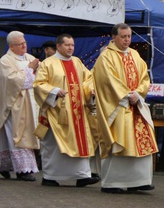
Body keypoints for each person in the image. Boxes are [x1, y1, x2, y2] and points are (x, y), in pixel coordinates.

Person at [93, 23, 158, 193]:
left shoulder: (135, 55)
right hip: (118, 106)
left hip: (136, 106)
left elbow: (144, 77)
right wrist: (128, 95)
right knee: (119, 139)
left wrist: (138, 92)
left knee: (141, 141)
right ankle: (114, 182)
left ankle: (139, 180)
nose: (127, 40)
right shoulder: (106, 57)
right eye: (123, 36)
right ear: (113, 37)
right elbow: (107, 81)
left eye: (129, 36)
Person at [33, 34, 99, 187]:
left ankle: (82, 176)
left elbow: (88, 79)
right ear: (58, 46)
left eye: (73, 45)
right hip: (57, 112)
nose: (71, 48)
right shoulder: (48, 64)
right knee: (55, 145)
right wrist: (55, 91)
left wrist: (91, 91)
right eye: (67, 45)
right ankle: (50, 176)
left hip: (77, 113)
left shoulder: (77, 62)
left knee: (80, 141)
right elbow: (38, 84)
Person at [0, 31, 40, 181]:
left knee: (28, 133)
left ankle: (7, 166)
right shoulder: (5, 61)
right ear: (11, 46)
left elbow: (38, 77)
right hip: (14, 105)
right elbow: (13, 81)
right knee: (16, 135)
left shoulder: (29, 57)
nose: (24, 46)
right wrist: (30, 69)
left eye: (25, 43)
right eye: (20, 44)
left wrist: (37, 69)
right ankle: (23, 170)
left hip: (30, 102)